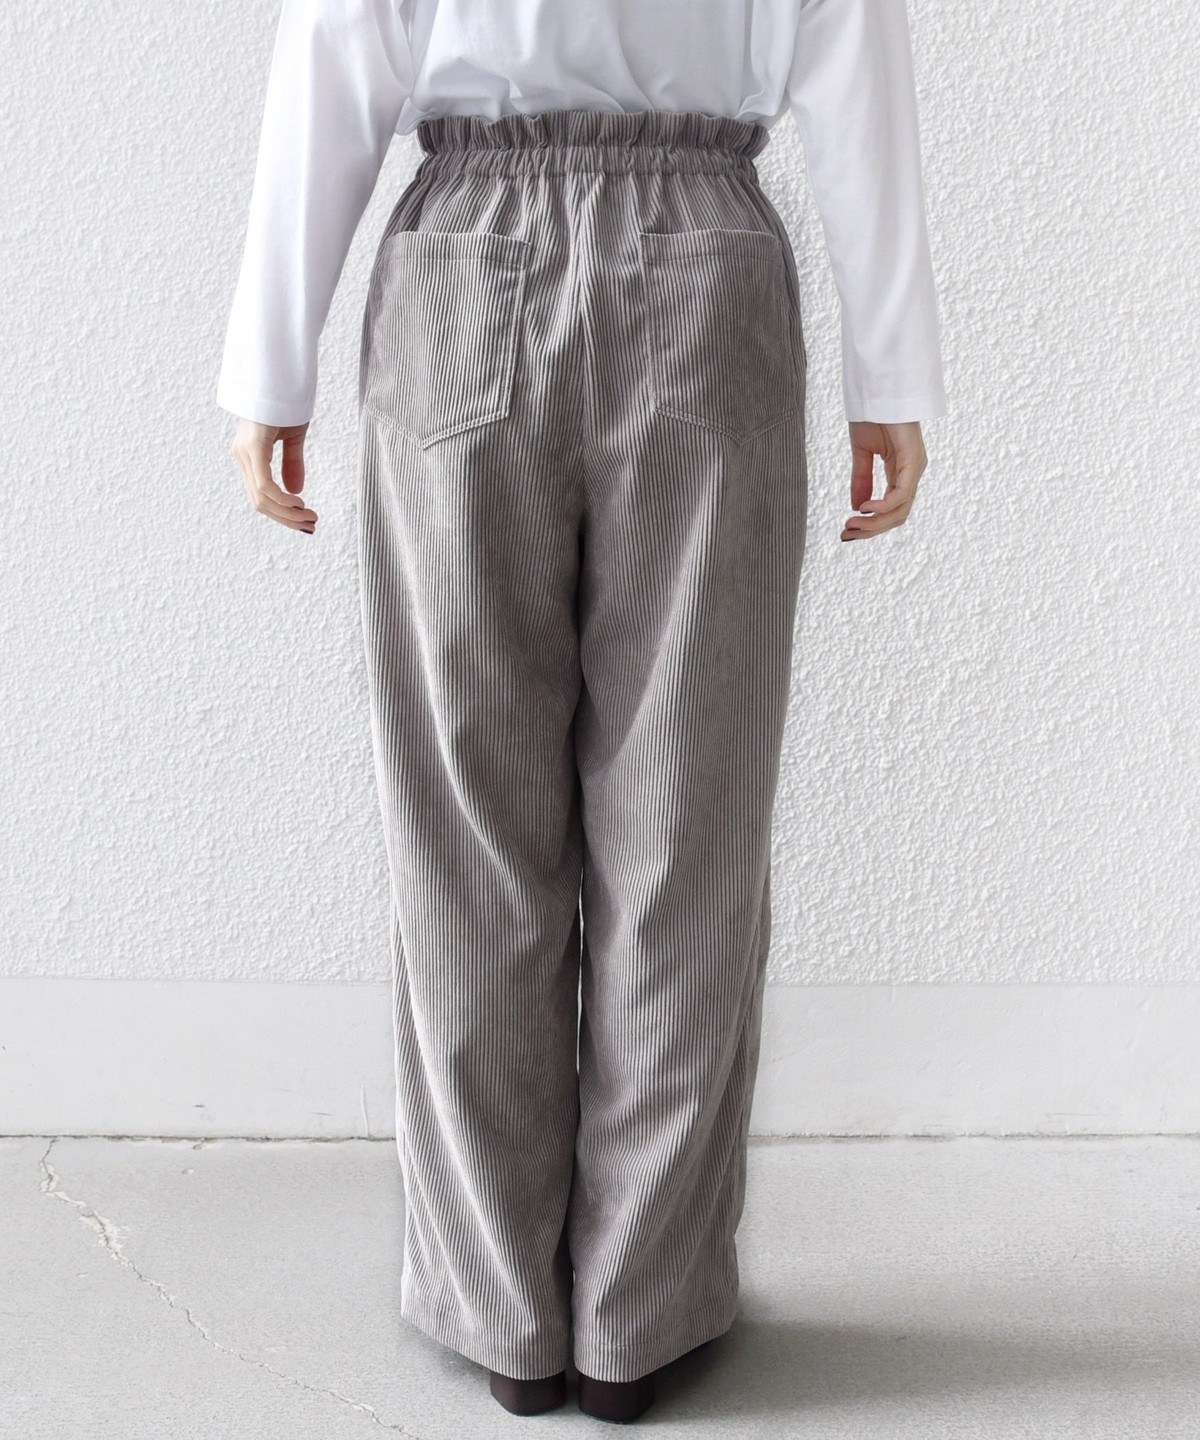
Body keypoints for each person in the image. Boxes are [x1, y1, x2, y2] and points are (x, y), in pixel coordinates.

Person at [218, 0, 947, 1423]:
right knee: (689, 816)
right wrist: (892, 371)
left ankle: (503, 1307)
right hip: (707, 262)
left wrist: (268, 361)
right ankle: (638, 1314)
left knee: (468, 824)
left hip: (463, 260)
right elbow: (854, 50)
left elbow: (338, 46)